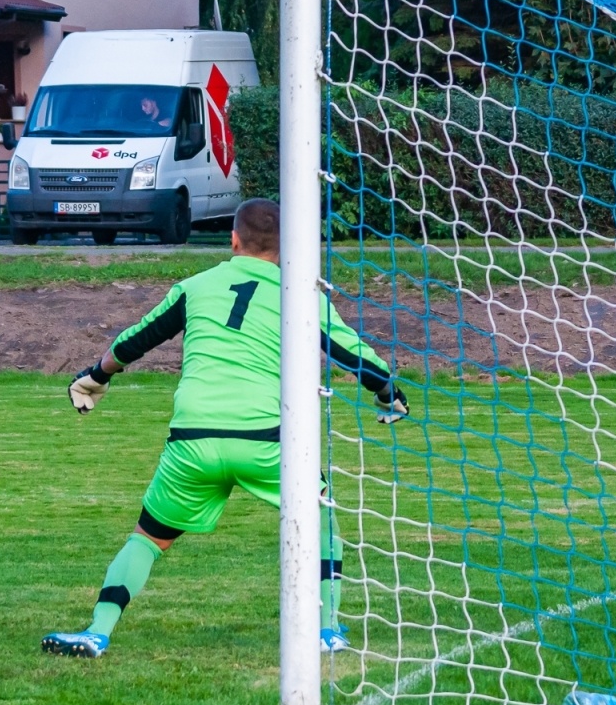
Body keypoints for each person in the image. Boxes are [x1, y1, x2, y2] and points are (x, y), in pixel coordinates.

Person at [42, 198, 409, 658]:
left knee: (148, 538)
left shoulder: (197, 286)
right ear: (288, 248)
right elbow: (349, 350)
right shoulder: (301, 294)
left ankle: (98, 631)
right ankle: (328, 629)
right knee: (322, 520)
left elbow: (139, 337)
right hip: (268, 443)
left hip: (193, 440)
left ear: (233, 239)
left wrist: (95, 377)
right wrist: (387, 391)